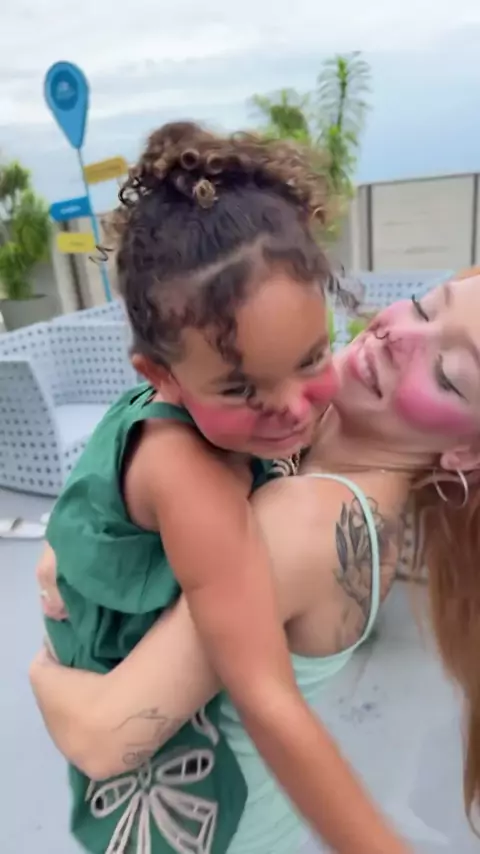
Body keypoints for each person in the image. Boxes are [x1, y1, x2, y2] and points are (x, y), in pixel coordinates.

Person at [31, 121, 411, 854]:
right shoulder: (188, 475)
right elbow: (265, 698)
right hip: (178, 803)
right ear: (161, 377)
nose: (292, 409)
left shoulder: (233, 412)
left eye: (313, 358)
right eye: (242, 389)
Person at [31, 269, 480, 849]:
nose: (399, 336)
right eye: (423, 307)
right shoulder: (306, 429)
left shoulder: (310, 522)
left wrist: (42, 667)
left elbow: (102, 736)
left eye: (448, 375)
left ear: (466, 453)